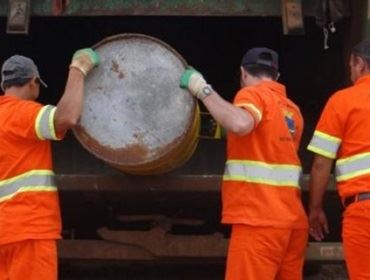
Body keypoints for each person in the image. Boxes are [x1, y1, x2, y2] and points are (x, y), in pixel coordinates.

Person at [180, 47, 308, 280]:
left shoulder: (252, 95)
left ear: (243, 72)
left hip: (259, 219)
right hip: (292, 222)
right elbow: (260, 142)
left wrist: (201, 89)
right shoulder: (292, 111)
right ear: (276, 76)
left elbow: (240, 124)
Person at [0, 49, 99, 280]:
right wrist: (78, 69)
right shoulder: (20, 113)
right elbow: (67, 118)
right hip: (27, 230)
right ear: (33, 82)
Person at [307, 39, 370, 279]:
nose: (351, 72)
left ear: (361, 64)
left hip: (363, 210)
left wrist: (315, 209)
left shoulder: (341, 101)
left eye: (352, 66)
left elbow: (322, 163)